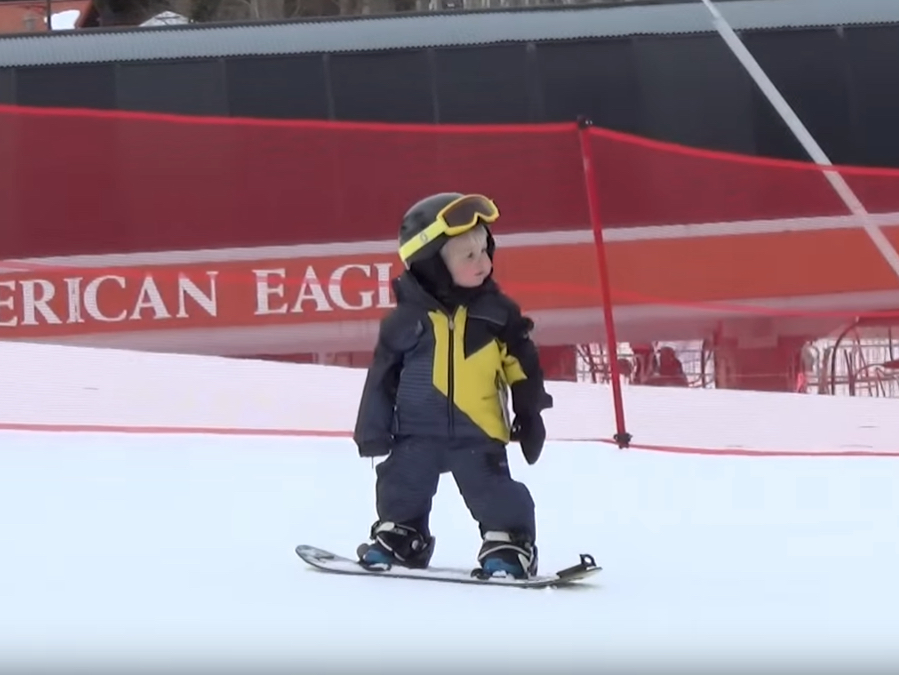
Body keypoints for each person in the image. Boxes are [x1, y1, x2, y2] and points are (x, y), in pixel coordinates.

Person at [352, 192, 554, 579]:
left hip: (477, 430)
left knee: (492, 489)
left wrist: (530, 412)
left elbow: (521, 366)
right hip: (415, 430)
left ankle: (509, 542)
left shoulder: (497, 315)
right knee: (400, 482)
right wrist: (373, 429)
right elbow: (381, 379)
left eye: (485, 250)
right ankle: (402, 534)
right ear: (432, 265)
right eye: (469, 256)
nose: (485, 263)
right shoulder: (404, 322)